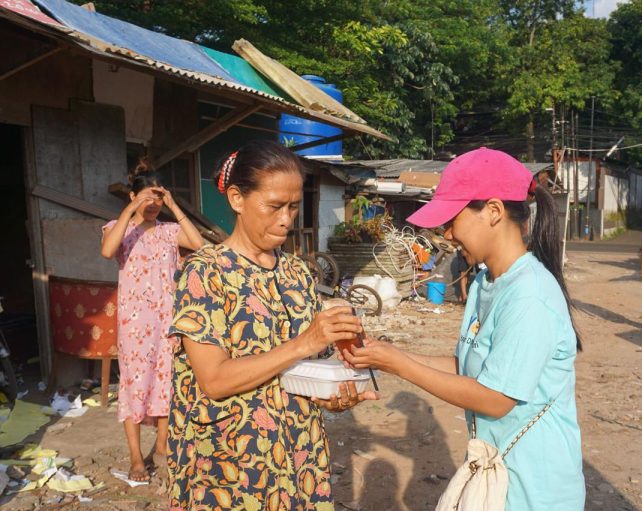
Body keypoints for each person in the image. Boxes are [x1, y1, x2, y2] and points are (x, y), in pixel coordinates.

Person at [344, 147, 586, 511]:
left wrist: (399, 365)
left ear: (493, 211)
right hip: (498, 477)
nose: (447, 233)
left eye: (452, 219)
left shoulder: (529, 295)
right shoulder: (485, 281)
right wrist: (384, 355)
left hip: (534, 490)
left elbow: (494, 397)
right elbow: (468, 365)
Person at [166, 141, 377, 510]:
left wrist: (337, 394)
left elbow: (311, 370)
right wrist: (303, 344)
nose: (286, 219)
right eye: (274, 206)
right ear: (236, 199)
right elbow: (214, 381)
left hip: (297, 457)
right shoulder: (205, 271)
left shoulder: (297, 273)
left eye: (294, 207)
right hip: (231, 464)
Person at [100, 158, 205, 482]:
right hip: (134, 324)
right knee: (133, 387)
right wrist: (130, 211)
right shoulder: (119, 229)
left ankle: (161, 446)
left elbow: (199, 244)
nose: (153, 204)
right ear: (133, 197)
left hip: (166, 322)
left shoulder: (169, 231)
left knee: (166, 384)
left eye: (158, 198)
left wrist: (174, 204)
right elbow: (107, 251)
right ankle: (135, 459)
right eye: (148, 197)